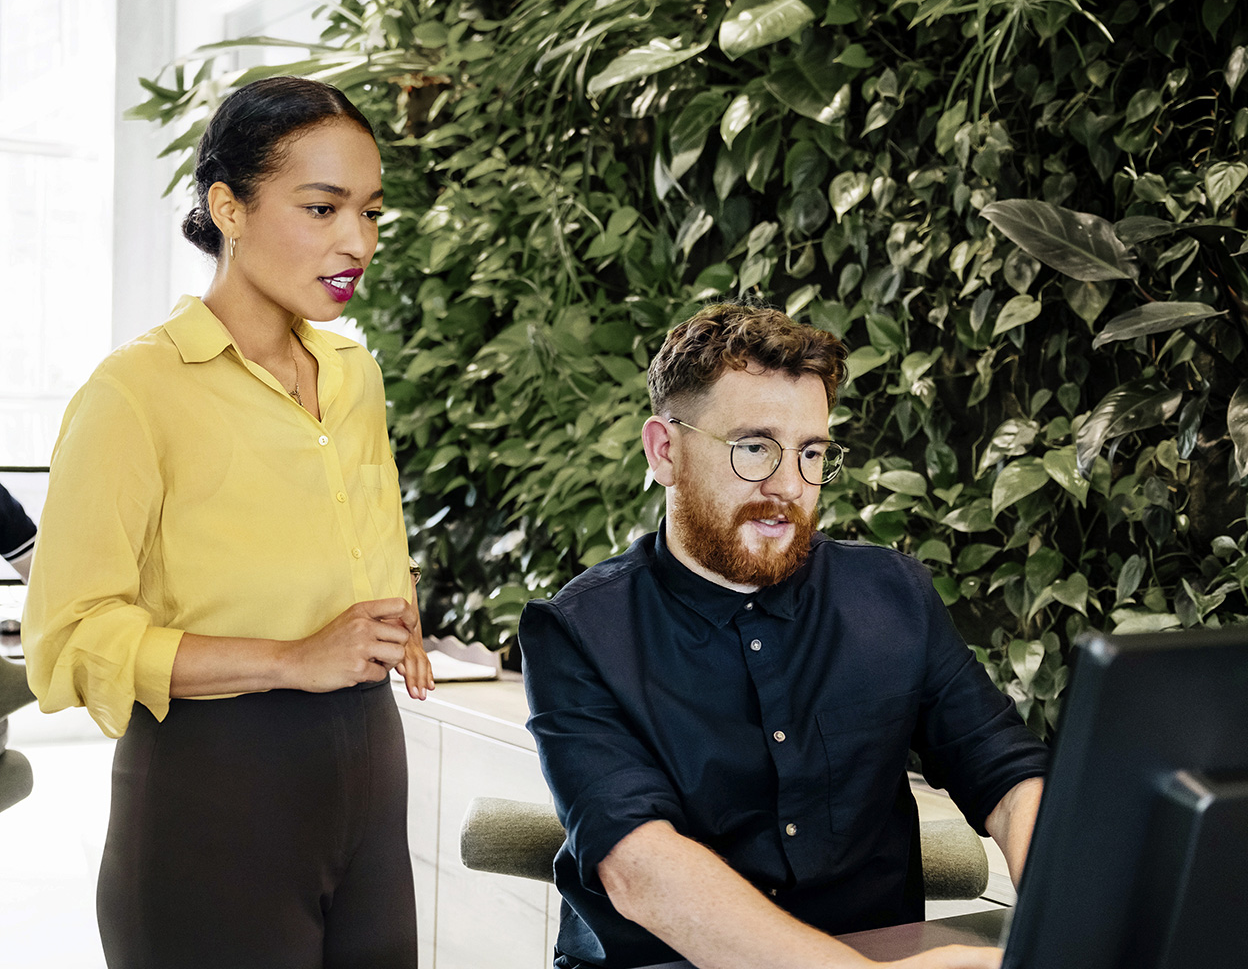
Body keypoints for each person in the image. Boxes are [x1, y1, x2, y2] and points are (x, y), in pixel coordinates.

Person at [22, 76, 433, 969]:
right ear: (228, 208)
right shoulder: (134, 392)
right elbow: (68, 639)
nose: (355, 241)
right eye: (321, 208)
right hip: (216, 787)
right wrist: (292, 658)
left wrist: (392, 612)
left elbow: (355, 539)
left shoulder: (353, 376)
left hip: (370, 768)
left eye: (369, 212)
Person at [519, 302, 1048, 969]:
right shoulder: (577, 631)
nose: (789, 485)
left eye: (811, 452)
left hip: (872, 951)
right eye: (753, 448)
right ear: (665, 451)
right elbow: (642, 869)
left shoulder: (895, 597)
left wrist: (1064, 927)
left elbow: (1009, 776)